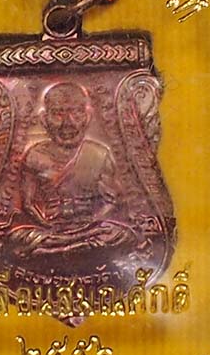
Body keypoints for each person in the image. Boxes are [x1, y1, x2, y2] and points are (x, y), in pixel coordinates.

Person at [9, 82, 137, 257]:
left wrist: (91, 222)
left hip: (89, 228)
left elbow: (113, 200)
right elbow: (28, 204)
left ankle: (57, 251)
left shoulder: (98, 153)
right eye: (58, 114)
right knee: (16, 238)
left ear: (88, 117)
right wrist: (47, 224)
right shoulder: (35, 155)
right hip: (51, 230)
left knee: (121, 235)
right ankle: (73, 248)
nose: (68, 123)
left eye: (76, 113)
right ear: (44, 119)